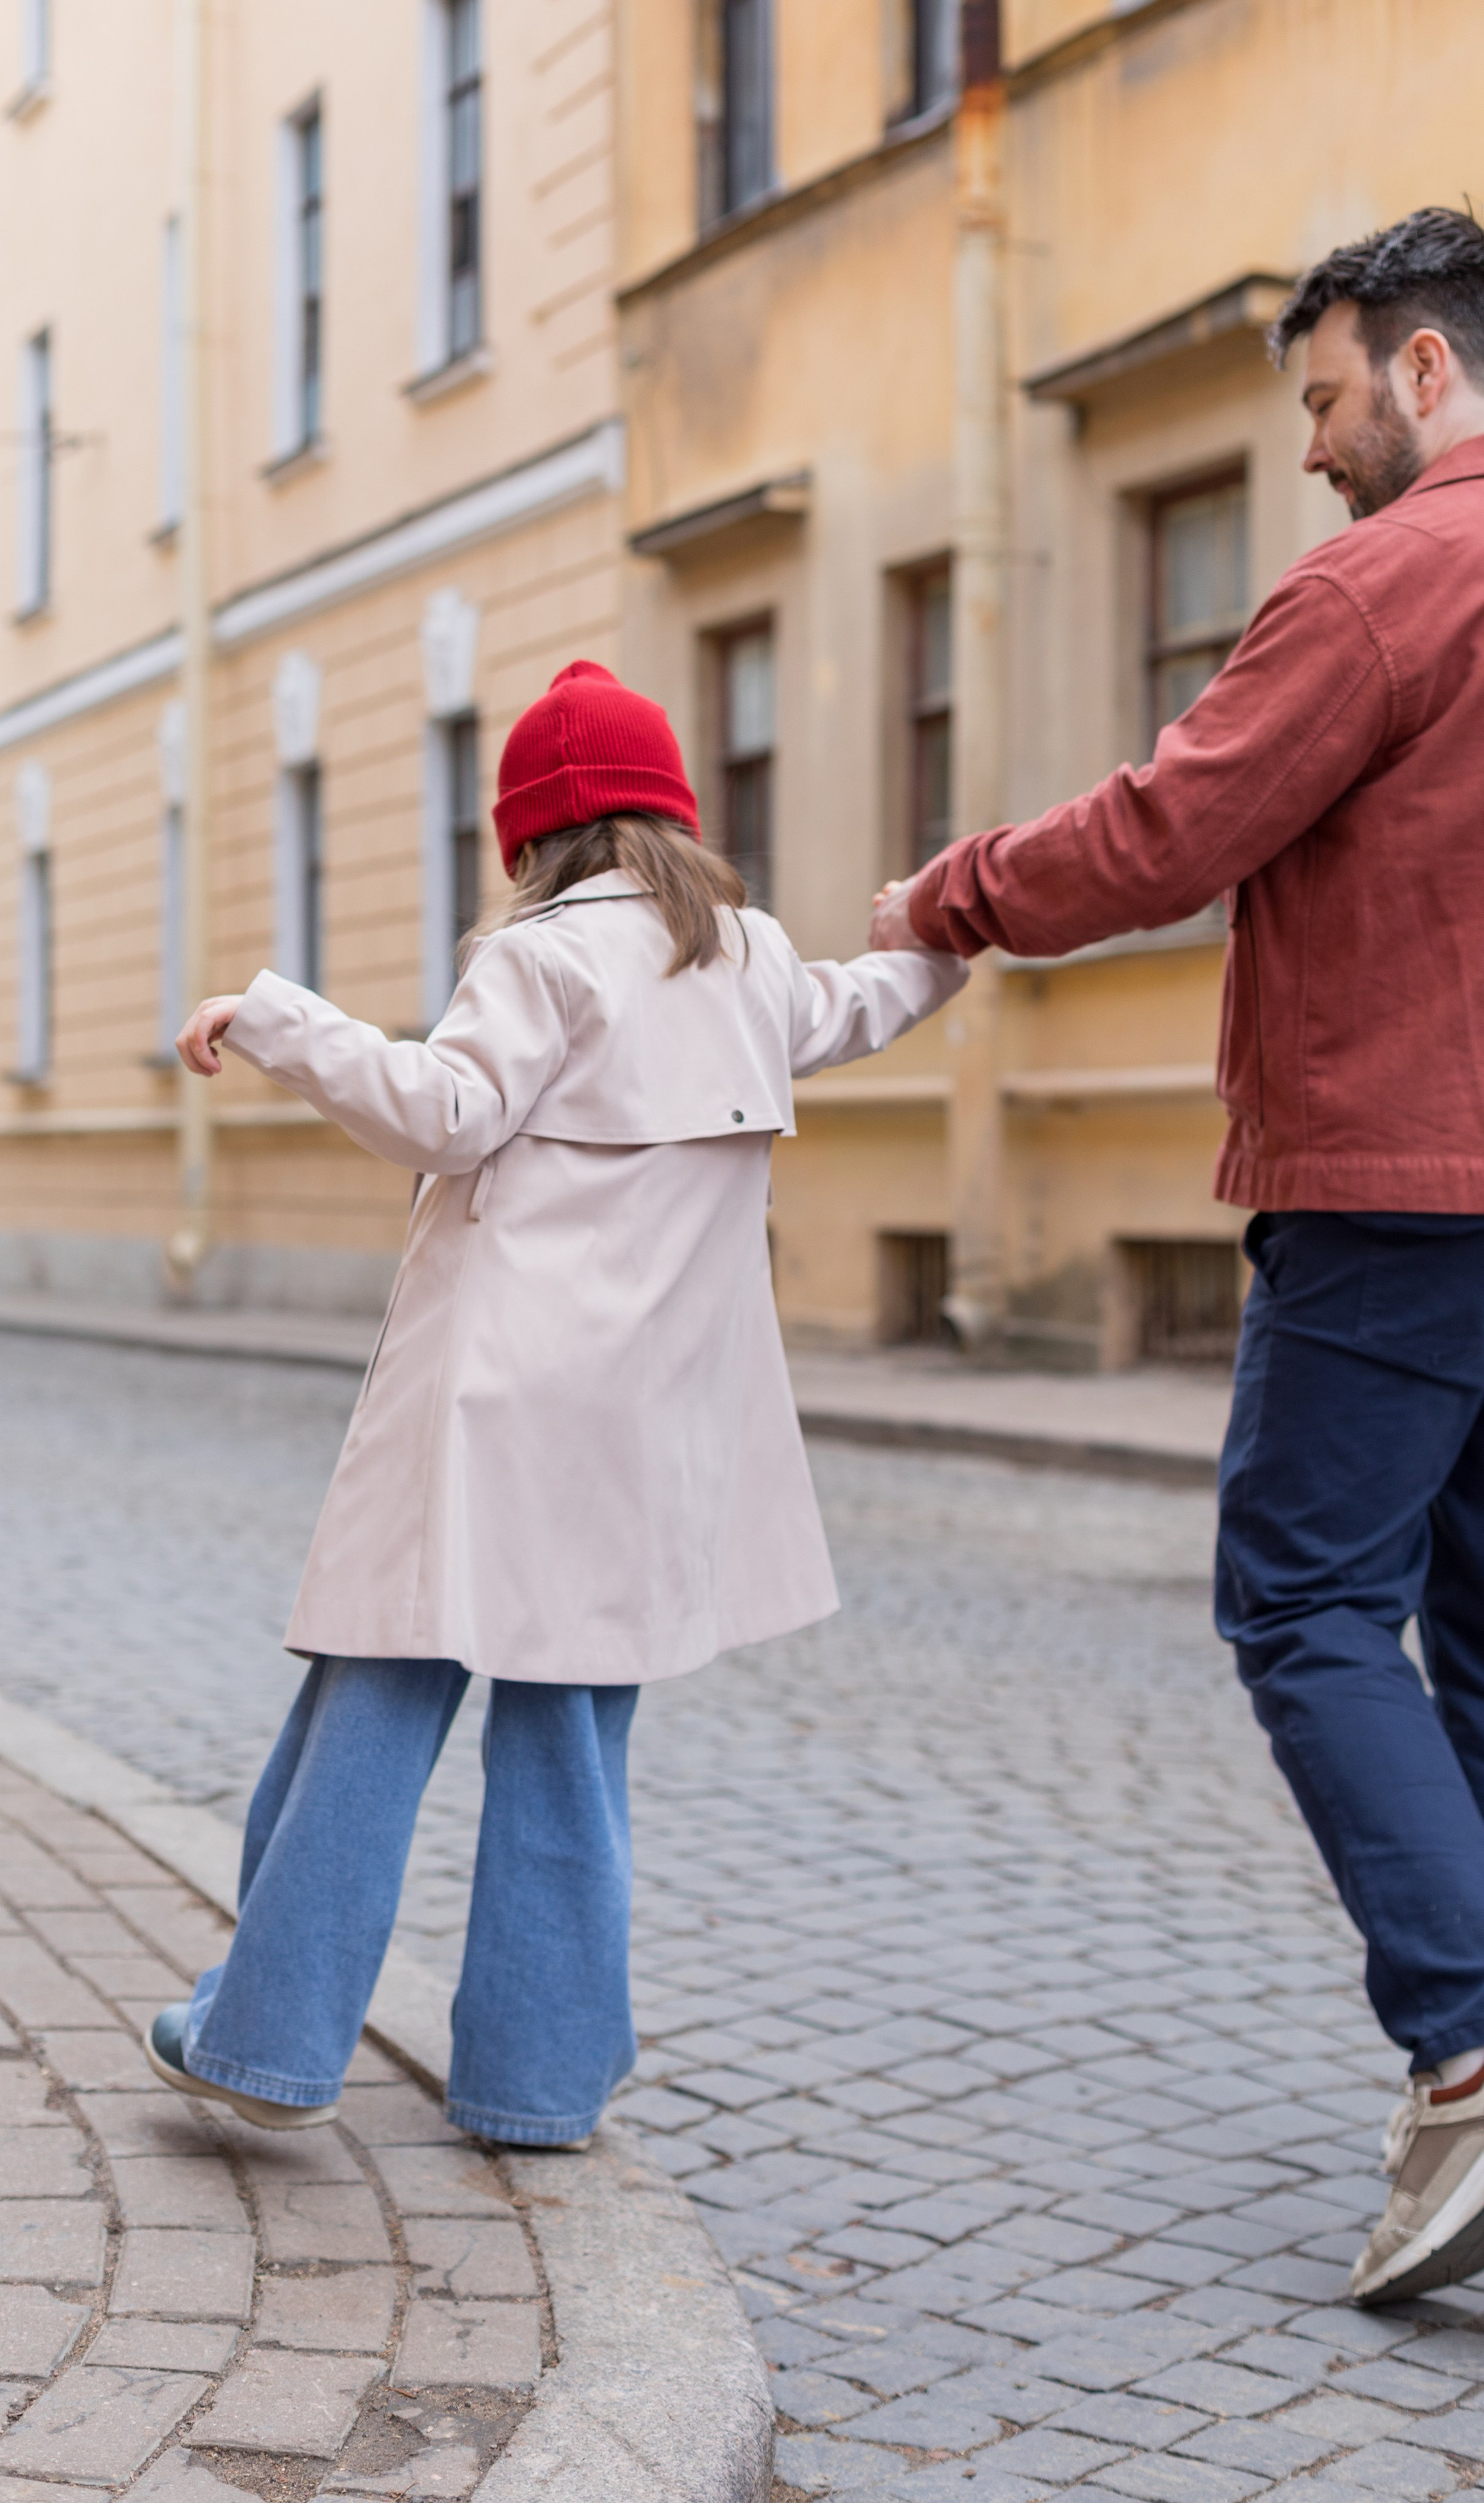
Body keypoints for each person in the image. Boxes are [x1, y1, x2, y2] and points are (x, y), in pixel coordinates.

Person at [867, 205, 1484, 2303]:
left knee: (1305, 1595)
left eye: (1324, 399)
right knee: (1478, 1645)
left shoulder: (1389, 581)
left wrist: (946, 895)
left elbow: (1172, 825)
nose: (1311, 451)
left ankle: (1475, 2059)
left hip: (1402, 1187)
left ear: (1421, 372)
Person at [154, 660, 967, 2150]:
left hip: (489, 1427)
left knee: (369, 1713)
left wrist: (273, 1017)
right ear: (670, 815)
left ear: (531, 835)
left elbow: (440, 1111)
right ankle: (534, 2087)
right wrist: (948, 926)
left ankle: (260, 2039)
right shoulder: (746, 959)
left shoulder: (538, 960)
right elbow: (865, 1005)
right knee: (572, 1743)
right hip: (641, 1438)